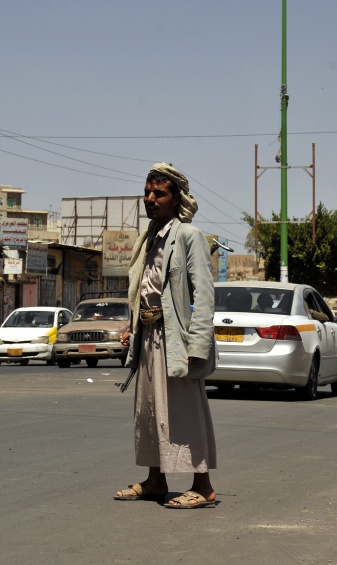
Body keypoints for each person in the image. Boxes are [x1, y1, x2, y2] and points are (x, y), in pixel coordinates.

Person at [114, 163, 218, 509]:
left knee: (183, 411)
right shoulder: (149, 238)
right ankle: (156, 480)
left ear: (177, 199)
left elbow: (203, 295)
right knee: (149, 410)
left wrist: (198, 345)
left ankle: (203, 486)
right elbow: (145, 289)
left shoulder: (189, 237)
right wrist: (134, 326)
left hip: (176, 340)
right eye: (147, 192)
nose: (150, 198)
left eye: (159, 193)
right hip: (148, 337)